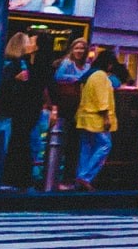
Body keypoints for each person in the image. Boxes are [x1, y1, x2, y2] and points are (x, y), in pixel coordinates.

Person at [0, 31, 46, 188]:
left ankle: (12, 177)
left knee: (14, 142)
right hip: (16, 109)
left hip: (11, 109)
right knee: (15, 143)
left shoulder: (9, 63)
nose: (31, 45)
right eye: (28, 42)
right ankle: (14, 177)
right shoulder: (18, 65)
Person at [74, 48, 121, 190]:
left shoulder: (89, 75)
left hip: (85, 116)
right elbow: (102, 98)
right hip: (97, 118)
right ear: (109, 64)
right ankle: (86, 176)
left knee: (86, 148)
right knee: (105, 145)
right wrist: (106, 117)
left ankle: (80, 176)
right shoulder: (100, 76)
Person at [51, 37, 90, 188]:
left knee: (76, 143)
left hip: (81, 107)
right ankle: (59, 176)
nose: (79, 51)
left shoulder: (87, 65)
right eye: (76, 48)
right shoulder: (67, 63)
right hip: (67, 107)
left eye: (82, 48)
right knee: (65, 142)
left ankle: (71, 177)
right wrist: (77, 79)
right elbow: (58, 77)